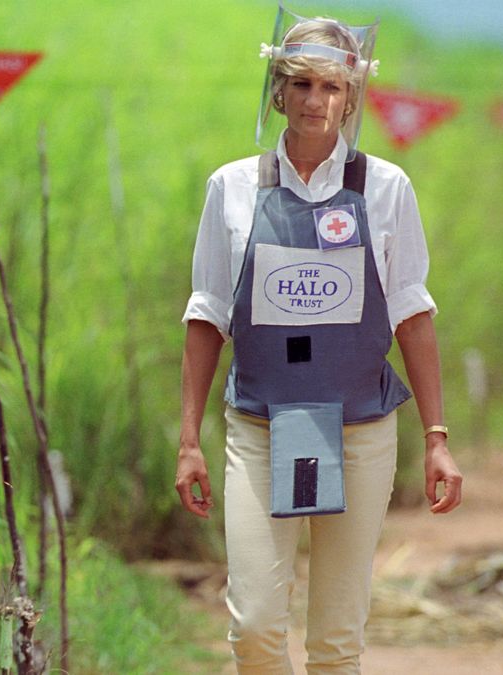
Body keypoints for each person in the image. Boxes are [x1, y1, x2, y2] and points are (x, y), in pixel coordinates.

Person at [174, 9, 463, 674]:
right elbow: (207, 314)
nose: (315, 100)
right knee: (253, 627)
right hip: (259, 427)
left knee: (336, 639)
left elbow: (413, 312)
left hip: (358, 430)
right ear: (278, 91)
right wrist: (190, 440)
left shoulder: (386, 188)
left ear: (352, 97)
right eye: (301, 84)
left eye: (330, 87)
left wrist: (437, 438)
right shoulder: (233, 188)